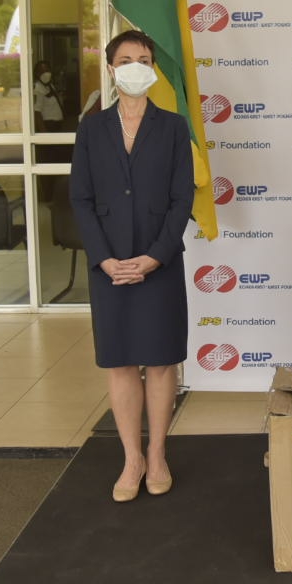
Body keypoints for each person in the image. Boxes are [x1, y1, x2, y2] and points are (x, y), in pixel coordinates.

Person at [69, 29, 194, 502]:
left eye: (144, 58)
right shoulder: (91, 128)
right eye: (126, 59)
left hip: (157, 261)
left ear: (154, 68)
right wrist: (104, 259)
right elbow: (80, 198)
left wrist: (155, 256)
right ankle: (131, 458)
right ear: (111, 67)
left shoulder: (173, 127)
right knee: (121, 363)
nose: (136, 66)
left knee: (161, 362)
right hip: (110, 266)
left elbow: (183, 198)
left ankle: (158, 453)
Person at [32, 59, 65, 130]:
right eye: (42, 71)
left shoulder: (50, 85)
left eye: (47, 71)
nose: (46, 74)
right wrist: (44, 134)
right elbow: (37, 112)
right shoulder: (38, 89)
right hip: (48, 125)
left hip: (57, 124)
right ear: (37, 73)